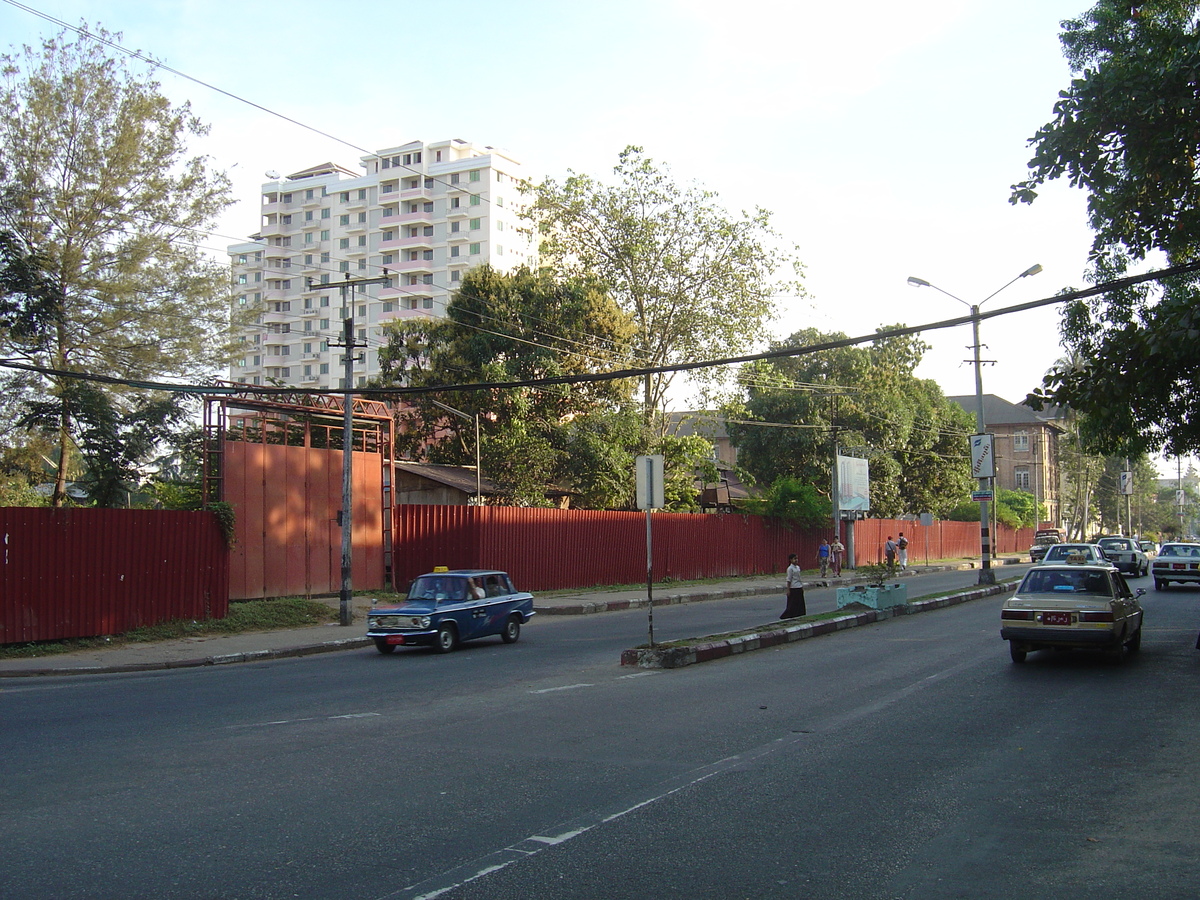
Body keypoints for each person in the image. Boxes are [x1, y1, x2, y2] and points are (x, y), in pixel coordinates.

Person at [780, 553, 806, 618]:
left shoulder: (798, 567)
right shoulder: (790, 569)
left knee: (799, 602)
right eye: (794, 559)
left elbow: (799, 578)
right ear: (791, 560)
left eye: (797, 558)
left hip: (799, 586)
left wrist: (801, 586)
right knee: (792, 603)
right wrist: (788, 589)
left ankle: (800, 614)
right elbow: (789, 579)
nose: (796, 560)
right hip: (793, 587)